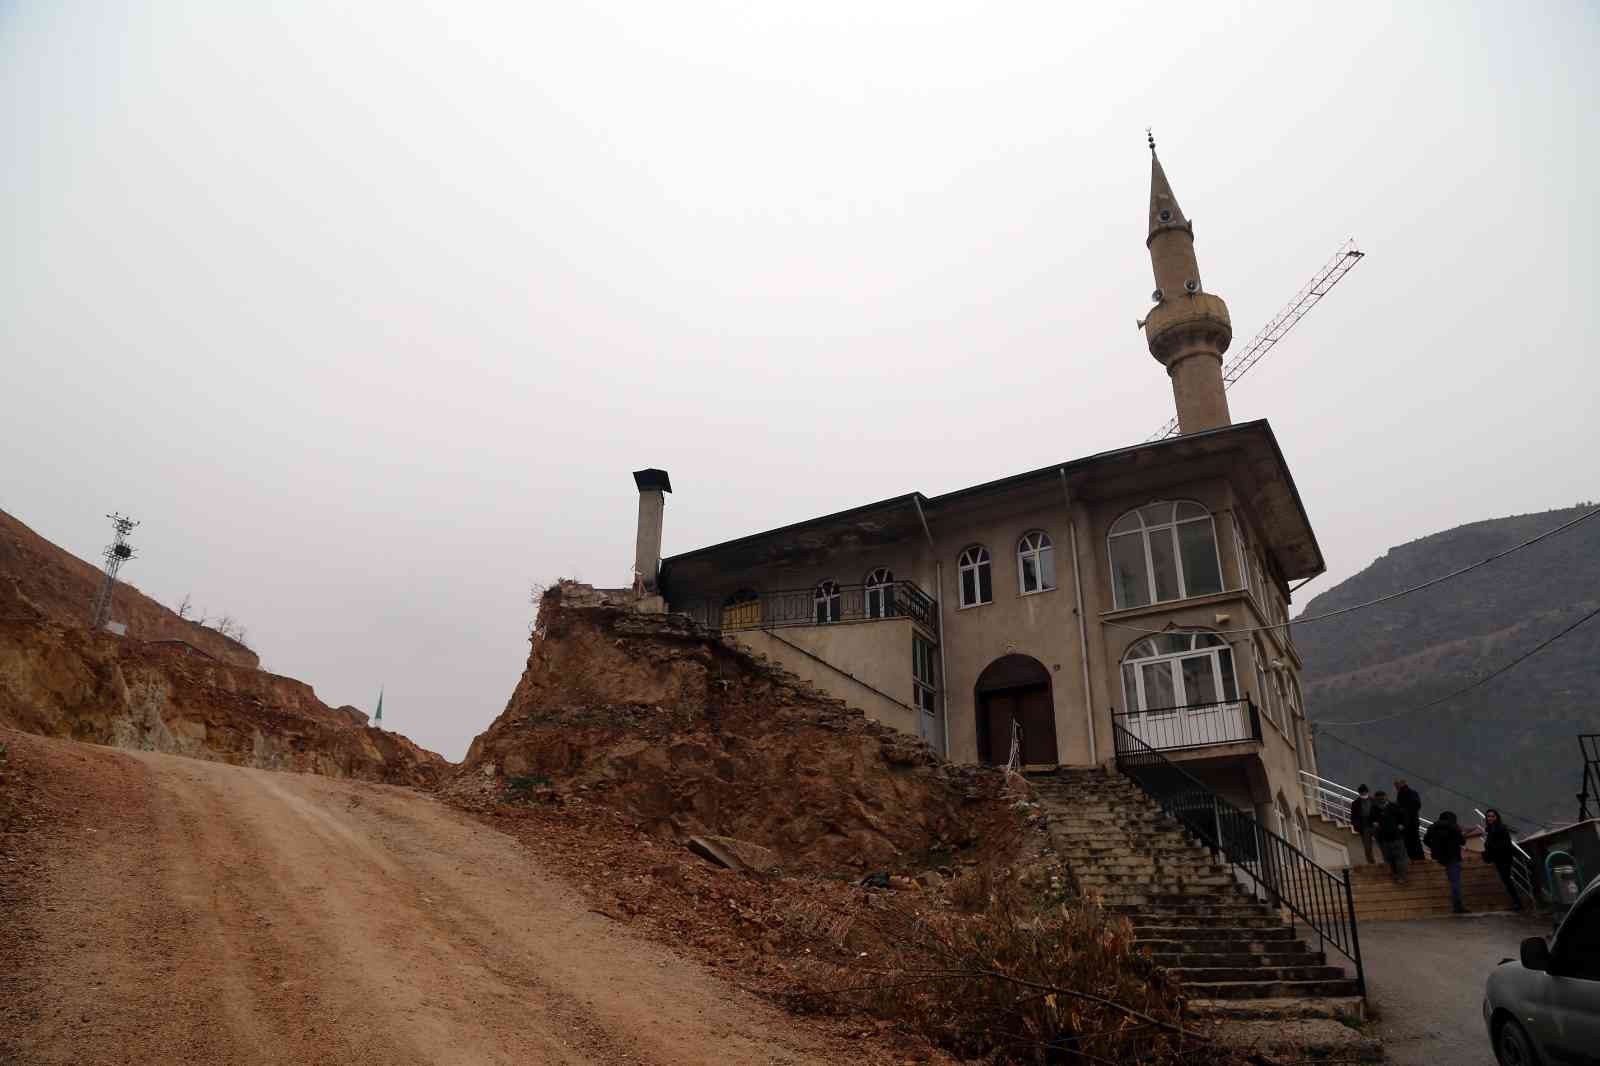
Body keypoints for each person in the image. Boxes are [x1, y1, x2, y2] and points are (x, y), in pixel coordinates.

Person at [1423, 810, 1476, 914]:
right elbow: (1462, 841)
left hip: (1438, 857)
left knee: (1451, 881)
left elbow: (1425, 840)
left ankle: (1455, 906)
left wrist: (1434, 848)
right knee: (1455, 882)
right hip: (1452, 857)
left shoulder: (1432, 827)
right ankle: (1458, 907)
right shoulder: (1453, 827)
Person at [1481, 808, 1524, 912]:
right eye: (1488, 816)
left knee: (1507, 880)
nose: (1490, 818)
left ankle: (1518, 902)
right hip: (1498, 859)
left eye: (1492, 816)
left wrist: (1490, 847)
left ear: (1497, 817)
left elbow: (1505, 844)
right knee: (1506, 880)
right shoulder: (1490, 829)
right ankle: (1516, 902)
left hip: (1504, 858)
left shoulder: (1501, 828)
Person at [1372, 790, 1409, 884]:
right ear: (1376, 799)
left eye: (1382, 797)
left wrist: (1402, 825)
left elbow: (1404, 817)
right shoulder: (1375, 809)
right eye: (1379, 798)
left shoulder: (1394, 806)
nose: (1381, 799)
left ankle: (1402, 876)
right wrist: (1374, 823)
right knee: (1389, 859)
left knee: (1399, 858)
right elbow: (1370, 820)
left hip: (1396, 836)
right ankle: (1396, 875)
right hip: (1383, 838)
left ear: (1386, 797)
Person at [1395, 779, 1424, 861]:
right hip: (1413, 821)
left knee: (1409, 842)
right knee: (1415, 841)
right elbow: (1417, 806)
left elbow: (1404, 808)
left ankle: (1414, 859)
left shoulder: (1403, 793)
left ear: (1402, 783)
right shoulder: (1412, 793)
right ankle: (1420, 859)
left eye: (1397, 784)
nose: (1396, 787)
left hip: (1407, 822)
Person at [1348, 784, 1375, 864]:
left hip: (1375, 825)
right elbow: (1353, 816)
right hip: (1364, 827)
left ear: (1367, 792)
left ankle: (1386, 860)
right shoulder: (1355, 803)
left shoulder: (1374, 800)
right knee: (1367, 846)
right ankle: (1371, 862)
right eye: (1361, 793)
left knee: (1382, 843)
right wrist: (1357, 826)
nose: (1363, 794)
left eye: (1364, 792)